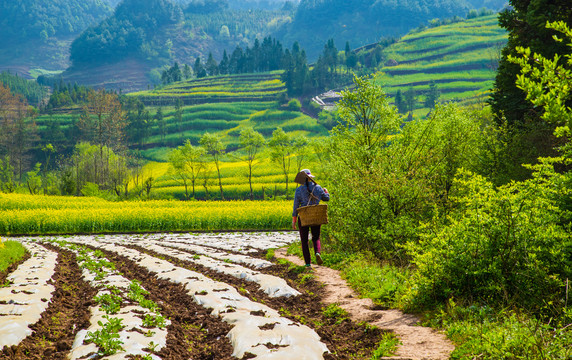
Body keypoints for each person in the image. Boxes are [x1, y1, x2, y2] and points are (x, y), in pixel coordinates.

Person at [292, 169, 330, 267]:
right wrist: (326, 192)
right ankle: (317, 252)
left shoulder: (299, 190)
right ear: (310, 177)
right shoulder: (318, 187)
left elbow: (296, 206)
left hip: (304, 216)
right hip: (316, 214)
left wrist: (294, 220)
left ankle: (308, 263)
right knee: (316, 237)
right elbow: (326, 198)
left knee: (304, 241)